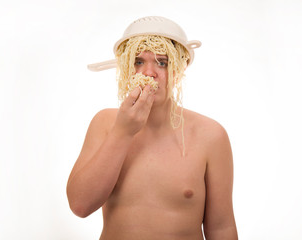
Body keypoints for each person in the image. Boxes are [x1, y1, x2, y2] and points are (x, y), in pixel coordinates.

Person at [66, 16, 238, 240]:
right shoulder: (105, 123)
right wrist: (123, 131)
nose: (148, 73)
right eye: (138, 61)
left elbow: (221, 228)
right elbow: (80, 205)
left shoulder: (211, 135)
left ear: (180, 68)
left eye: (162, 62)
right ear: (126, 68)